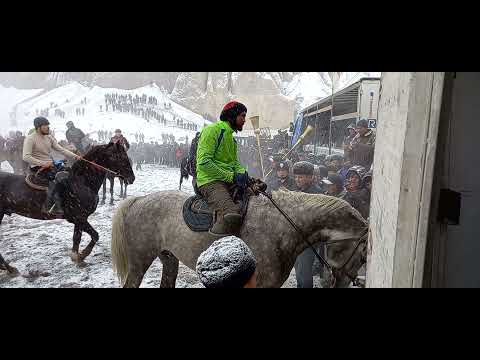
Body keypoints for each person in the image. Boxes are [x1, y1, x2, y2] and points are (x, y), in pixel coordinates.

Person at [196, 101, 251, 237]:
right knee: (232, 215)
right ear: (232, 115)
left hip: (225, 180)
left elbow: (234, 164)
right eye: (242, 116)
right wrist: (231, 177)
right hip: (209, 181)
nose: (244, 120)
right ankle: (212, 249)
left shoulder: (232, 139)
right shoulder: (212, 130)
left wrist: (245, 175)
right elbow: (203, 163)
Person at [23, 117, 80, 215]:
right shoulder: (30, 138)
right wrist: (42, 163)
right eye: (45, 126)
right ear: (38, 127)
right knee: (57, 179)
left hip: (50, 166)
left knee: (70, 173)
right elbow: (26, 157)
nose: (48, 128)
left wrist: (76, 156)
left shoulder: (49, 137)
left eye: (48, 125)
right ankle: (51, 206)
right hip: (37, 168)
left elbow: (61, 149)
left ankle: (69, 201)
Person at [291, 161, 324, 288]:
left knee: (304, 270)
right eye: (296, 177)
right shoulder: (295, 190)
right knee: (299, 267)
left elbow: (317, 218)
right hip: (297, 237)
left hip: (309, 238)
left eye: (301, 177)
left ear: (310, 177)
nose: (297, 179)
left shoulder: (317, 194)